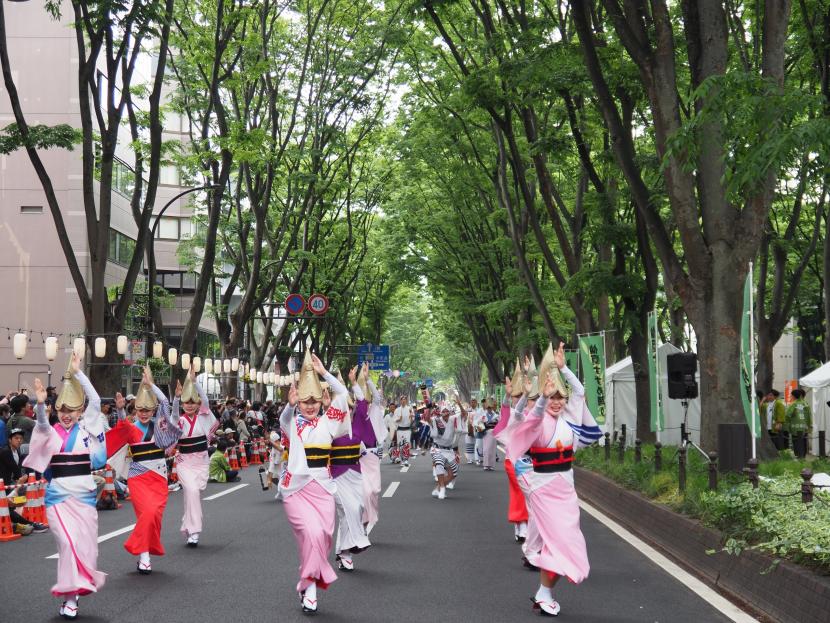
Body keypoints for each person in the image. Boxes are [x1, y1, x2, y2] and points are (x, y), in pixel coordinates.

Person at [505, 343, 603, 616]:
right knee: (558, 545)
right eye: (552, 398)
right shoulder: (538, 422)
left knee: (570, 545)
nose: (558, 401)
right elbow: (524, 420)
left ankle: (544, 590)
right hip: (543, 489)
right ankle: (545, 591)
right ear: (545, 400)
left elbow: (581, 393)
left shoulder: (569, 421)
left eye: (561, 397)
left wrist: (564, 369)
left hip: (567, 491)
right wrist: (536, 397)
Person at [23, 357, 108, 619]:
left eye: (72, 409)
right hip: (58, 496)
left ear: (80, 410)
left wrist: (78, 373)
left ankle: (72, 596)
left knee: (84, 547)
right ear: (56, 410)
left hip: (84, 495)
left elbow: (95, 401)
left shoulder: (86, 429)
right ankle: (69, 597)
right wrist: (39, 404)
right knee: (68, 545)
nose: (67, 414)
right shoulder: (52, 432)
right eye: (62, 410)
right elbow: (41, 425)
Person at [278, 350, 351, 614]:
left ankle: (307, 585)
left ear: (321, 401)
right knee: (310, 533)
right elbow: (283, 419)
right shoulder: (292, 423)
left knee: (321, 537)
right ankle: (309, 590)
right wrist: (289, 404)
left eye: (314, 401)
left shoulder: (329, 423)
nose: (310, 405)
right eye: (305, 401)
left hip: (323, 490)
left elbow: (343, 395)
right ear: (299, 401)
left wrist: (324, 374)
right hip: (295, 491)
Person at [106, 366, 181, 574]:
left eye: (148, 410)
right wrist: (121, 410)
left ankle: (144, 552)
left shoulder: (160, 426)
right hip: (138, 477)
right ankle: (144, 556)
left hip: (158, 476)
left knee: (154, 515)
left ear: (153, 410)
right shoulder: (131, 427)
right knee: (146, 514)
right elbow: (120, 428)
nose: (144, 414)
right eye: (140, 410)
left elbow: (165, 403)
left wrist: (150, 385)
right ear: (135, 410)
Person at [331, 364, 376, 571]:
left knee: (355, 510)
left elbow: (363, 405)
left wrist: (355, 383)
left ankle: (342, 552)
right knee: (347, 510)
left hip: (355, 475)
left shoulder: (357, 426)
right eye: (344, 408)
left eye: (350, 408)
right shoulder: (330, 427)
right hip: (336, 476)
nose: (348, 411)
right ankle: (346, 552)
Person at [170, 368, 219, 547]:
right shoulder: (180, 421)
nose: (189, 405)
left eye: (192, 402)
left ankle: (188, 523)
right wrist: (176, 398)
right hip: (184, 461)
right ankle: (194, 531)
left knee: (194, 494)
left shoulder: (203, 417)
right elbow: (174, 415)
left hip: (201, 461)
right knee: (191, 491)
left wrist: (195, 381)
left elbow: (205, 400)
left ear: (197, 404)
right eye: (186, 403)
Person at [361, 374, 386, 536]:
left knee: (373, 491)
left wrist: (368, 379)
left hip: (373, 455)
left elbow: (377, 397)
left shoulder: (375, 411)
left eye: (367, 400)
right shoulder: (356, 416)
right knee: (363, 491)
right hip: (359, 457)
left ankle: (372, 517)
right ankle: (363, 524)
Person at [430, 405, 461, 499]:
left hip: (449, 450)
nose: (446, 413)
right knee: (439, 464)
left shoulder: (453, 420)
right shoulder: (436, 420)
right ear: (441, 413)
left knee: (454, 472)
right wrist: (428, 408)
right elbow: (427, 418)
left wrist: (459, 404)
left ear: (450, 412)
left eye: (448, 411)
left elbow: (464, 414)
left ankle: (437, 489)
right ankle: (442, 489)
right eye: (444, 411)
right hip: (437, 449)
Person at [786, 389, 812, 459]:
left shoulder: (793, 404)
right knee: (804, 442)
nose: (791, 397)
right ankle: (803, 456)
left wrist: (787, 423)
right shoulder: (806, 404)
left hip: (795, 427)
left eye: (791, 395)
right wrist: (809, 426)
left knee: (796, 442)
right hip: (804, 427)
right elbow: (809, 416)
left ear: (794, 396)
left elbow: (788, 415)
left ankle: (798, 456)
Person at [393, 396, 413, 467]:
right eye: (402, 400)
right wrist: (399, 419)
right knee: (400, 445)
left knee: (407, 444)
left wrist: (411, 417)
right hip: (400, 430)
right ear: (400, 401)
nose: (403, 401)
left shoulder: (409, 409)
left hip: (407, 429)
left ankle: (406, 459)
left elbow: (412, 420)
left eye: (405, 400)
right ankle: (402, 459)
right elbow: (394, 420)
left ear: (406, 401)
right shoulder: (397, 410)